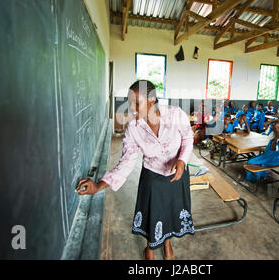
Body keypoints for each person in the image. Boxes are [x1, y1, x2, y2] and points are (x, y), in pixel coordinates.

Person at [75, 80, 194, 260]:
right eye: (129, 101)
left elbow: (187, 138)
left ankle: (167, 242)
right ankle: (150, 247)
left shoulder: (176, 115)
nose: (131, 107)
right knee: (153, 213)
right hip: (152, 178)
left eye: (136, 102)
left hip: (177, 175)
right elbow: (126, 162)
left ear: (152, 100)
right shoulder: (133, 128)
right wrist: (98, 186)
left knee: (170, 211)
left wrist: (182, 161)